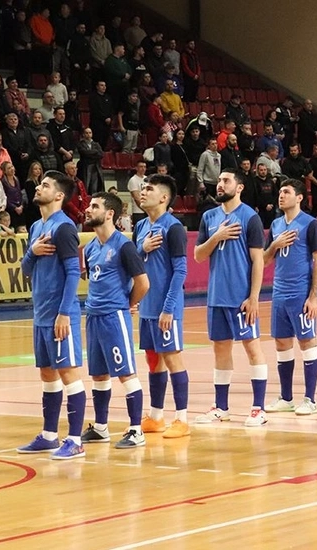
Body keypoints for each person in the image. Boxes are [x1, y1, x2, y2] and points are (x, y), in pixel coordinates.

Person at [16, 170, 88, 460]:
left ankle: (75, 440)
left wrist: (64, 313)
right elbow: (26, 268)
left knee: (69, 373)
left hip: (60, 314)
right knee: (47, 374)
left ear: (58, 195)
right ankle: (49, 436)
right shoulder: (36, 227)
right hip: (41, 314)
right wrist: (32, 251)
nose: (38, 187)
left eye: (45, 185)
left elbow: (73, 273)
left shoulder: (64, 227)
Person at [193, 169, 269, 426]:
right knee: (220, 349)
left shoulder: (250, 217)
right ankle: (221, 407)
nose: (220, 184)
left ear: (239, 187)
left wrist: (254, 297)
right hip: (216, 296)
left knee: (252, 347)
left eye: (226, 181)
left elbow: (258, 260)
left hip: (241, 298)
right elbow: (198, 255)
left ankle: (259, 409)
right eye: (219, 180)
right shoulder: (209, 217)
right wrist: (217, 237)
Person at [79, 192, 150, 448]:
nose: (88, 209)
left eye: (95, 206)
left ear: (110, 213)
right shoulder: (89, 248)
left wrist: (127, 304)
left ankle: (136, 430)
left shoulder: (124, 245)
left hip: (114, 316)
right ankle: (101, 427)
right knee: (99, 375)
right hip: (93, 316)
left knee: (126, 373)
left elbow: (143, 283)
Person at [134, 174, 191, 438]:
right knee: (152, 359)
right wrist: (142, 248)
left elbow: (180, 271)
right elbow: (134, 264)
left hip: (166, 308)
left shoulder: (173, 227)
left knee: (172, 357)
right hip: (146, 306)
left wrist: (168, 308)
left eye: (149, 189)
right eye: (143, 188)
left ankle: (182, 419)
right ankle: (156, 416)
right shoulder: (140, 226)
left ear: (164, 198)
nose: (143, 192)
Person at [263, 179, 317, 416]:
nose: (281, 195)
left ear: (299, 197)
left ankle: (310, 399)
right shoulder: (276, 224)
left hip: (300, 293)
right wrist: (274, 245)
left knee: (307, 342)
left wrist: (313, 297)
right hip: (279, 293)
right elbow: (265, 260)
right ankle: (286, 398)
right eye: (280, 191)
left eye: (286, 192)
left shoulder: (310, 224)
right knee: (282, 343)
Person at [127, 159, 147, 225]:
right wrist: (145, 209)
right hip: (138, 211)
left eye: (144, 167)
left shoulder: (147, 179)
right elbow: (136, 197)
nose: (143, 169)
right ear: (136, 168)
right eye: (141, 167)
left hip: (148, 210)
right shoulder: (133, 180)